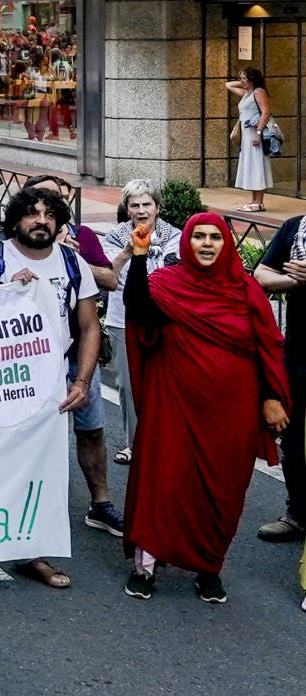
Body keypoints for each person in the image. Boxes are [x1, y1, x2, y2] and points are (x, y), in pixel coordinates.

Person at [121, 213, 289, 604]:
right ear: (187, 243)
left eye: (216, 236)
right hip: (173, 404)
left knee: (223, 490)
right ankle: (145, 568)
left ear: (226, 244)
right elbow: (138, 308)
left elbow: (267, 348)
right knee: (162, 482)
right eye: (199, 236)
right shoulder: (165, 283)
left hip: (233, 413)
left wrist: (270, 397)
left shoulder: (246, 290)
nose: (208, 243)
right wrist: (141, 257)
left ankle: (209, 567)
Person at [0, 186, 101, 601]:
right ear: (16, 220)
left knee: (40, 470)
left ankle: (30, 550)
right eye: (32, 213)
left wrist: (81, 381)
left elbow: (88, 327)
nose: (42, 221)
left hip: (48, 385)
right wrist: (2, 292)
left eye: (50, 214)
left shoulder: (73, 263)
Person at [100, 181, 180, 464]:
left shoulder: (174, 236)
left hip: (165, 319)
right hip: (123, 319)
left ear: (157, 207)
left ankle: (167, 441)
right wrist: (127, 251)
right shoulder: (114, 236)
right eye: (135, 205)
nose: (141, 210)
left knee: (167, 383)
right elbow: (105, 275)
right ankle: (134, 444)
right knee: (129, 384)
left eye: (147, 204)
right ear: (127, 208)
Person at [255, 210, 306, 549]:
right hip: (299, 353)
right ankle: (298, 514)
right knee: (293, 438)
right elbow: (259, 275)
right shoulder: (294, 228)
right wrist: (296, 281)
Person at [226, 65, 273, 212]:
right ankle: (254, 200)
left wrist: (258, 132)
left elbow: (265, 112)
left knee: (257, 165)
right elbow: (228, 85)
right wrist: (244, 82)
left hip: (254, 133)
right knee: (251, 166)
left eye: (245, 79)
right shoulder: (248, 93)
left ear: (252, 79)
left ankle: (259, 202)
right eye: (241, 79)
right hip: (247, 136)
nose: (242, 81)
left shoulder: (258, 92)